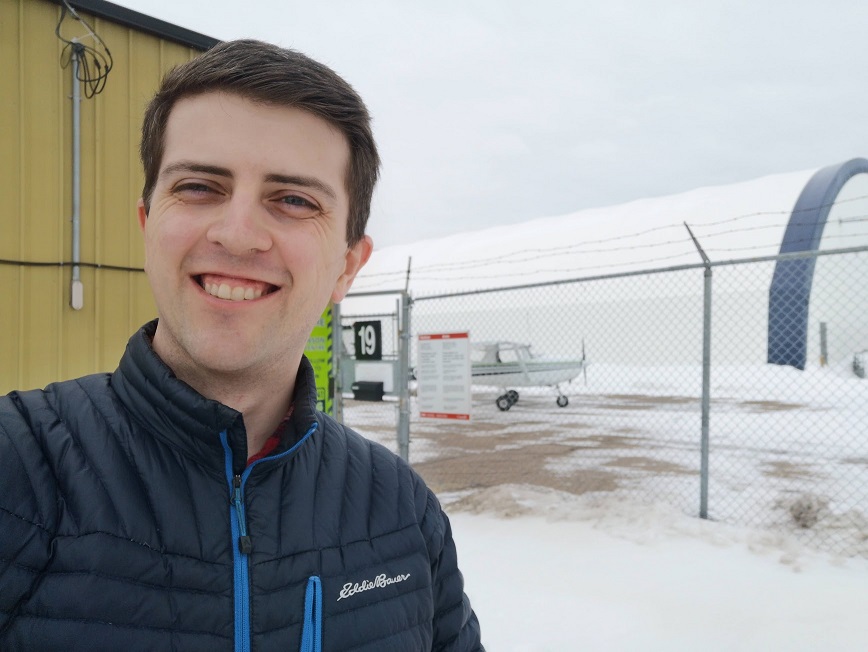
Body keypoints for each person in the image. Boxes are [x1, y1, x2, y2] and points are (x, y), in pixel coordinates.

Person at [0, 39, 483, 651]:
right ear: (149, 227)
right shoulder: (18, 469)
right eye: (200, 187)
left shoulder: (400, 511)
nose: (237, 234)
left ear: (346, 266)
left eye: (293, 200)